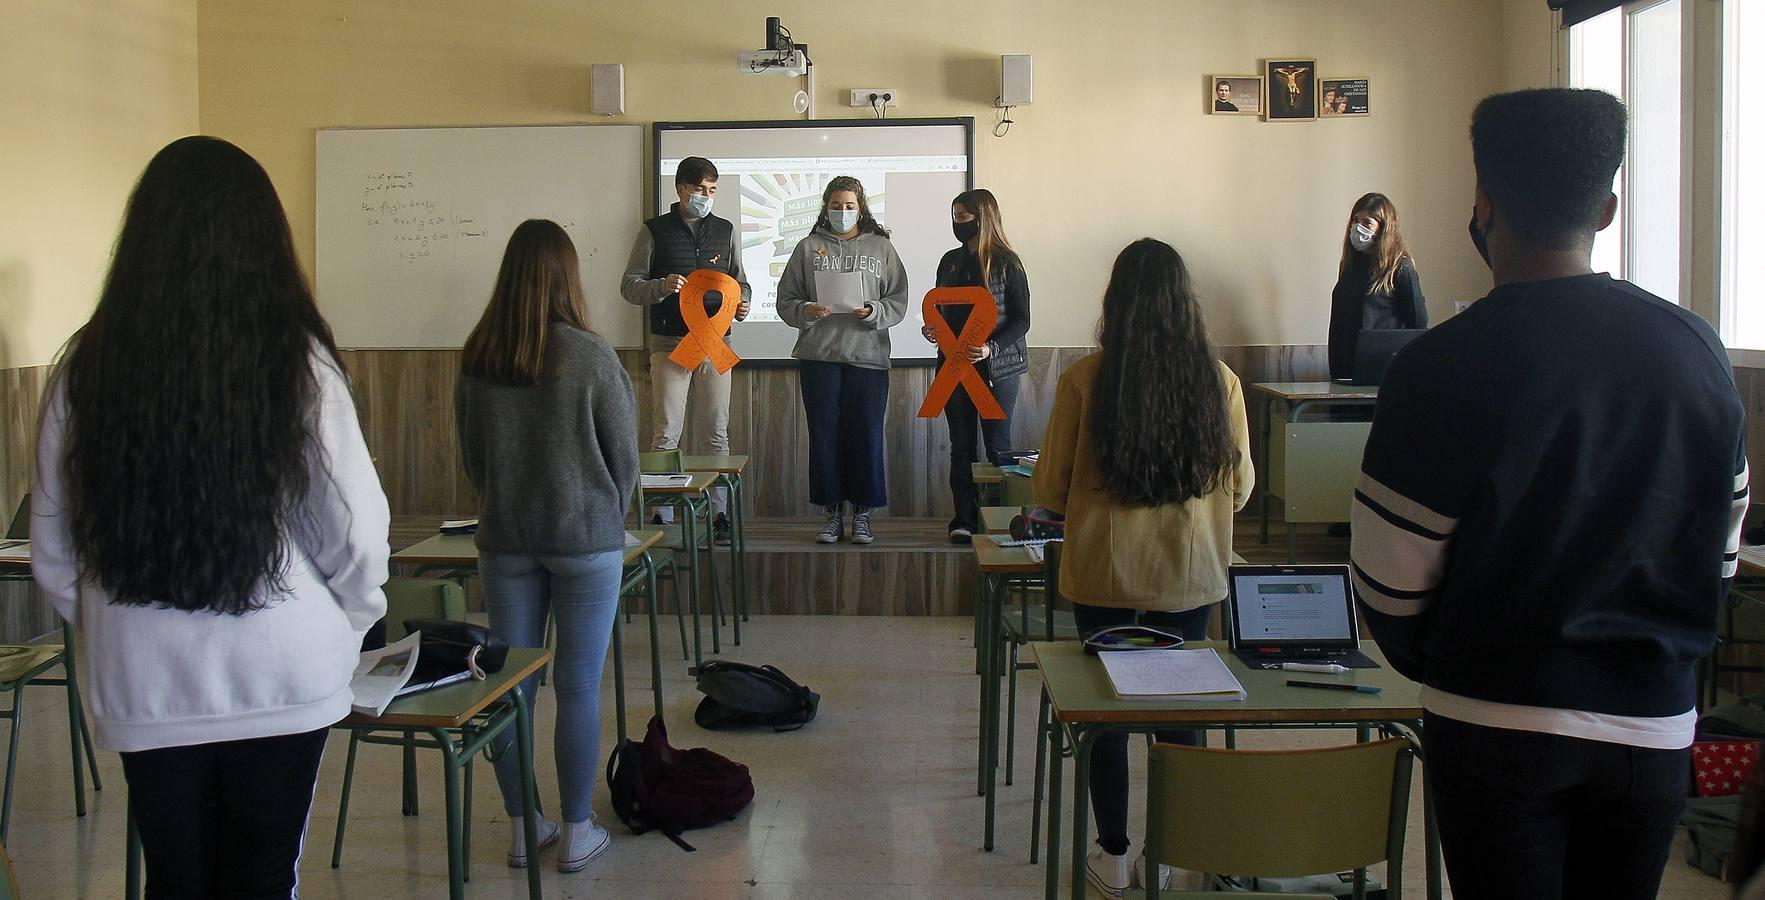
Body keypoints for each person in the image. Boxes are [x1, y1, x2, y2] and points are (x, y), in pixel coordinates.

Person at [1350, 88, 1748, 898]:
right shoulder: (1694, 352)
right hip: (1652, 722)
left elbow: (1387, 588)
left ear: (1482, 203)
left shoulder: (1439, 366)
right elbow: (1718, 560)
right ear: (1606, 207)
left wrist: (1457, 660)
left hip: (1492, 715)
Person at [30, 135, 390, 899]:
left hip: (142, 682)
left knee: (177, 881)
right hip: (282, 672)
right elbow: (353, 533)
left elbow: (57, 555)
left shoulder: (82, 371)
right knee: (262, 879)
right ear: (263, 241)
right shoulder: (298, 363)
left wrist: (118, 628)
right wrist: (348, 623)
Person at [1032, 238, 1254, 898]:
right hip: (1186, 580)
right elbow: (1239, 489)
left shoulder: (1083, 380)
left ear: (1115, 303)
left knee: (1104, 718)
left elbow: (1048, 489)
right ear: (1186, 304)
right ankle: (1172, 852)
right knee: (1179, 714)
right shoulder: (1220, 382)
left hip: (1102, 577)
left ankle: (1115, 854)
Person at [457, 219, 638, 873]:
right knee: (578, 684)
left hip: (505, 537)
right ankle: (577, 830)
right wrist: (605, 512)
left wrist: (506, 500)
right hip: (585, 538)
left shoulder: (480, 356)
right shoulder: (589, 354)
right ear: (568, 276)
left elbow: (473, 459)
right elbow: (624, 460)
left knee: (511, 687)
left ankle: (520, 827)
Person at [621, 156, 751, 544]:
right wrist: (661, 285)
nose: (705, 197)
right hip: (670, 344)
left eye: (712, 191)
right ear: (680, 190)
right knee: (667, 432)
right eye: (699, 190)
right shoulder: (653, 230)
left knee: (717, 432)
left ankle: (720, 516)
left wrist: (742, 303)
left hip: (715, 343)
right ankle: (661, 512)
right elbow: (629, 286)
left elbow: (740, 282)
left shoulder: (725, 230)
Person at [776, 176, 909, 545]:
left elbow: (898, 300)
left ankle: (862, 514)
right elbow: (785, 301)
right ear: (825, 207)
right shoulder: (808, 247)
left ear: (861, 208)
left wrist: (873, 311)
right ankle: (832, 513)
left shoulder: (882, 248)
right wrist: (806, 310)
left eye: (850, 205)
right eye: (836, 205)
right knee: (824, 436)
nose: (843, 211)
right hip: (820, 355)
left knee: (865, 434)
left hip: (868, 357)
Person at [923, 189, 1031, 543]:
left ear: (984, 217)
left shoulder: (1007, 263)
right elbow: (941, 307)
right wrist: (933, 327)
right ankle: (964, 521)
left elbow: (1021, 320)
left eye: (965, 216)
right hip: (954, 369)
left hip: (997, 371)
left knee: (999, 447)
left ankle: (1000, 523)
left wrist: (991, 348)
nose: (958, 223)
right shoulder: (949, 261)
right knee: (961, 447)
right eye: (955, 215)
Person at [1327, 192, 1427, 381]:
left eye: (1367, 223)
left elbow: (1418, 322)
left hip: (1382, 372)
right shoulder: (1349, 267)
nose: (1358, 228)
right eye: (1356, 220)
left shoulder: (1401, 268)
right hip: (1345, 370)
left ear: (1383, 228)